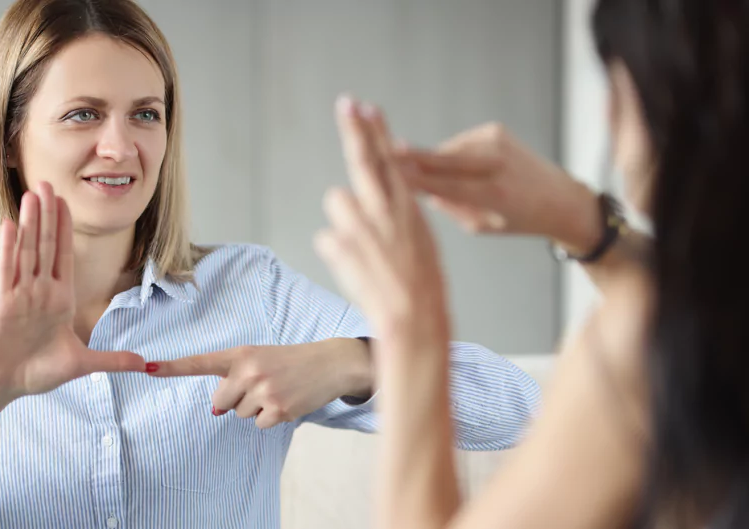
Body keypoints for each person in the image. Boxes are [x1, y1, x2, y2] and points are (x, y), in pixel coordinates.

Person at [0, 1, 540, 528]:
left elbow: (518, 410)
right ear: (9, 137)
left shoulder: (252, 292)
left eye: (146, 113)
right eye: (83, 115)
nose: (122, 146)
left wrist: (349, 361)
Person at [315, 0, 749, 527]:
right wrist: (589, 223)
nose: (610, 122)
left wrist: (413, 328)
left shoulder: (642, 347)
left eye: (617, 81)